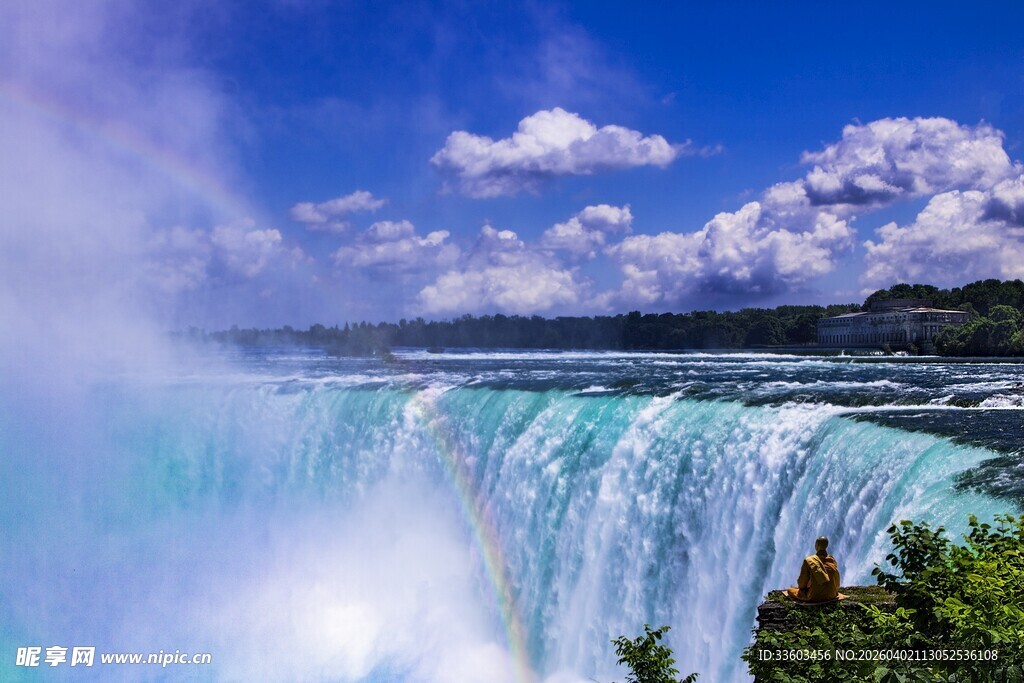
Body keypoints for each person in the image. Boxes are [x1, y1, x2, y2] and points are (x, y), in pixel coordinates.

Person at [785, 536, 842, 602]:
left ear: (817, 545)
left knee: (790, 590)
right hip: (832, 594)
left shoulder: (809, 560)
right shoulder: (832, 560)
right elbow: (837, 584)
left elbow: (802, 584)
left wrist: (805, 588)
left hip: (814, 596)